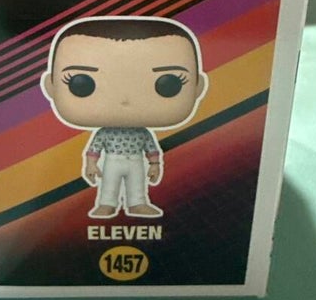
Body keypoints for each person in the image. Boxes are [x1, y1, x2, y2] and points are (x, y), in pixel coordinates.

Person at [42, 16, 208, 217]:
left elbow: (151, 149)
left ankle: (138, 203)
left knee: (137, 184)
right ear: (51, 87)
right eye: (82, 83)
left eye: (168, 84)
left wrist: (155, 165)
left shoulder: (143, 134)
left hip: (136, 160)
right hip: (112, 160)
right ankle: (107, 203)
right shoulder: (104, 133)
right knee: (109, 183)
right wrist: (91, 164)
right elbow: (94, 149)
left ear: (198, 88)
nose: (125, 99)